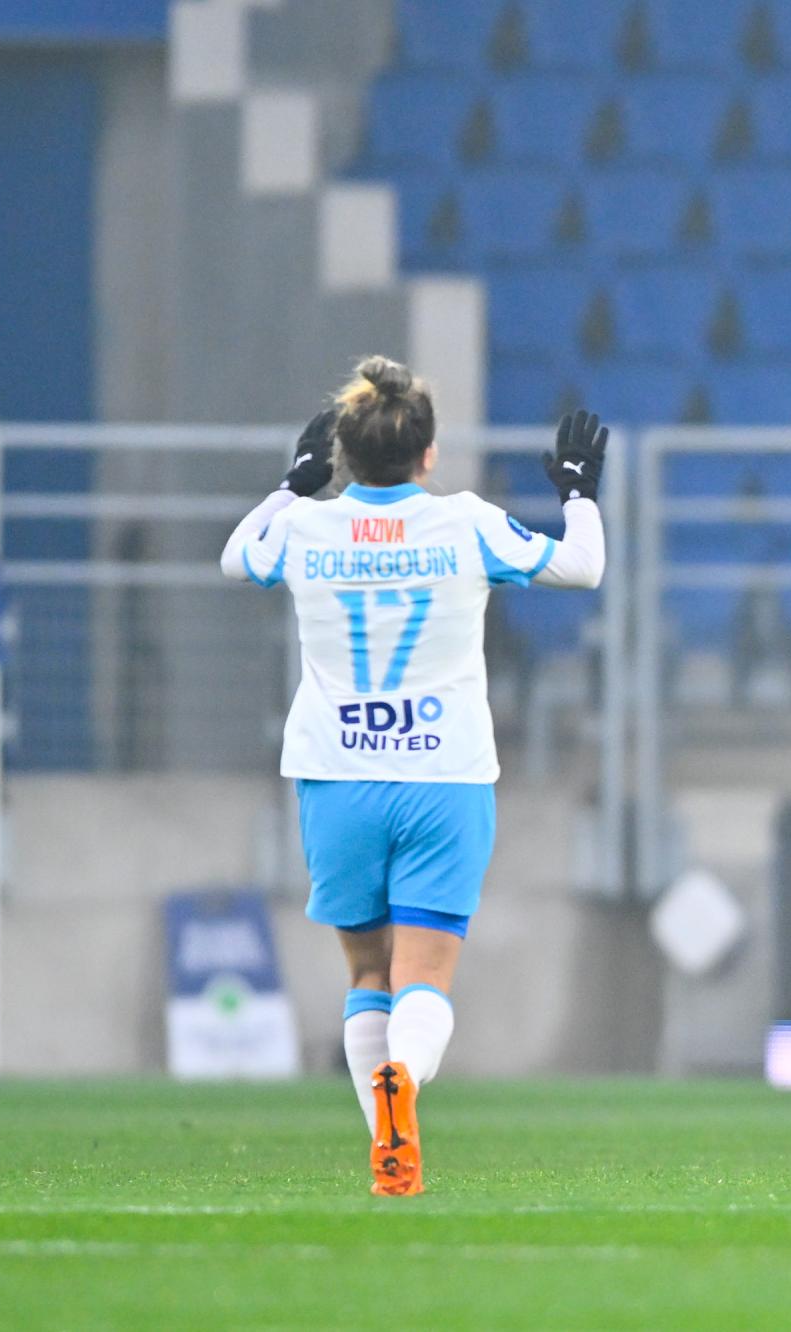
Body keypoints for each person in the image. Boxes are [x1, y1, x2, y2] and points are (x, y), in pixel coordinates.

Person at [220, 357, 607, 1194]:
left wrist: (291, 488)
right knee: (424, 978)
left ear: (346, 457)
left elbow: (234, 558)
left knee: (367, 973)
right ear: (428, 455)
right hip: (444, 775)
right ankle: (407, 1088)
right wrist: (579, 492)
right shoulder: (463, 522)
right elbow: (583, 569)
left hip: (336, 775)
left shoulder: (305, 529)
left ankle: (389, 1146)